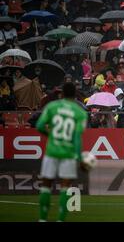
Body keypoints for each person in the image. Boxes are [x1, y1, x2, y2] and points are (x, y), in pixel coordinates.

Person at [36, 82, 88, 222]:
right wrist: (79, 157)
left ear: (62, 94)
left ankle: (42, 219)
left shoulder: (52, 107)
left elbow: (39, 125)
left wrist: (51, 136)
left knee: (46, 186)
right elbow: (77, 137)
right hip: (69, 154)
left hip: (51, 151)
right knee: (65, 188)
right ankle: (60, 219)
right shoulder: (80, 113)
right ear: (75, 95)